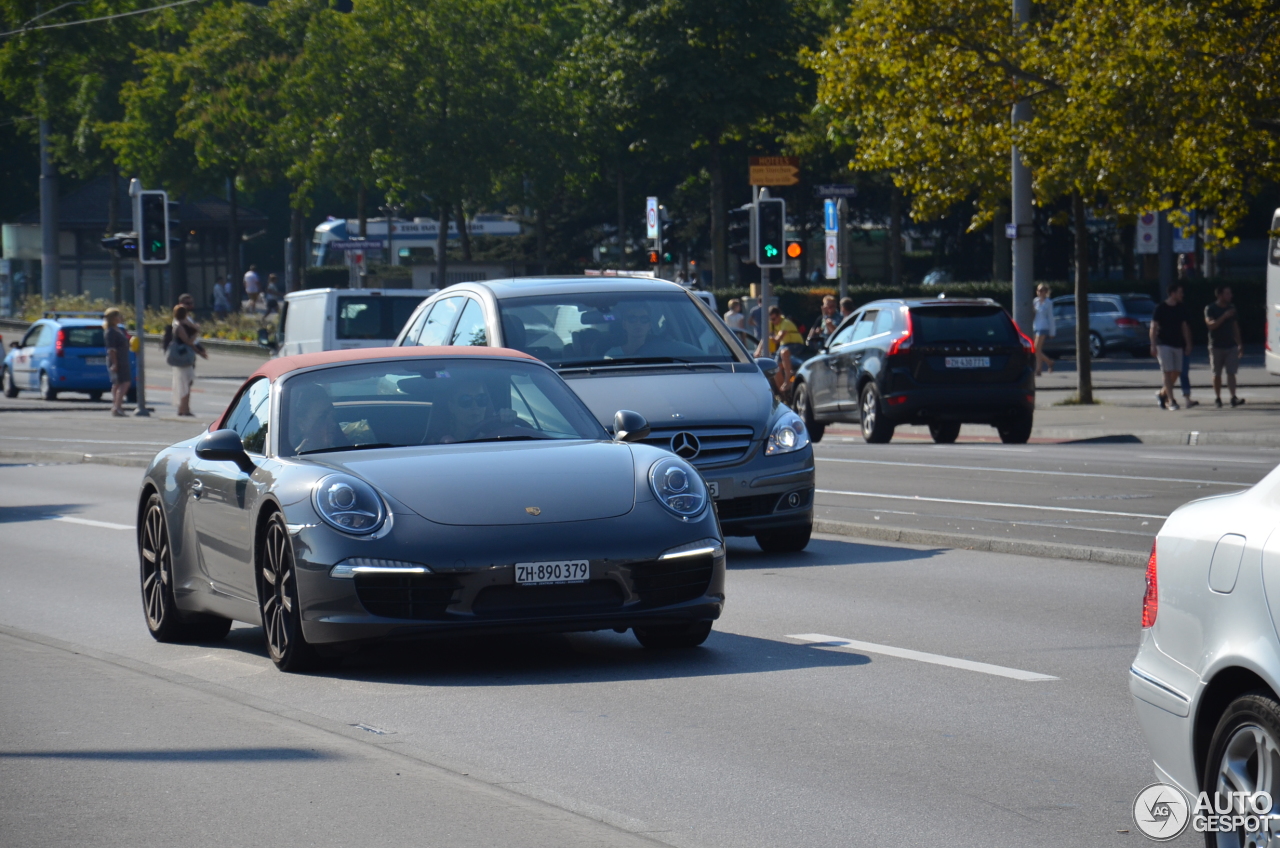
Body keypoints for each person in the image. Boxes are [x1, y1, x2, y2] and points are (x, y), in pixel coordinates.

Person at [1151, 282, 1193, 410]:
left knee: (1177, 371)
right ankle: (1171, 400)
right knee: (1167, 371)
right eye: (1180, 292)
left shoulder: (1181, 307)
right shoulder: (1160, 308)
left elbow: (1184, 326)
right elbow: (1153, 327)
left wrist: (1188, 343)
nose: (1182, 295)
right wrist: (1153, 344)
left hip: (1178, 344)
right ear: (1172, 293)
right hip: (1163, 344)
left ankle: (1162, 394)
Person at [1205, 284, 1246, 408]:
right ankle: (1218, 398)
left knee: (1231, 373)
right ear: (1220, 295)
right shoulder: (1210, 308)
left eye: (1230, 293)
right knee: (1216, 374)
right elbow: (1211, 325)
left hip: (1230, 346)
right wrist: (1224, 316)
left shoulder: (1232, 308)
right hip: (1216, 346)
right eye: (1228, 293)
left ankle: (1233, 397)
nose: (1230, 296)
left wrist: (1239, 344)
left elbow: (1235, 327)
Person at [169, 304, 208, 417]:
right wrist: (196, 333)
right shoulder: (179, 326)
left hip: (184, 357)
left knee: (184, 383)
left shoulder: (180, 324)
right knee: (184, 383)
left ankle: (183, 408)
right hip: (183, 358)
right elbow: (188, 341)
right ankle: (184, 409)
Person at [287, 382, 348, 454]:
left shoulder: (347, 453)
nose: (333, 424)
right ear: (301, 424)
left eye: (333, 417)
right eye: (322, 417)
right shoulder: (292, 461)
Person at [767, 305, 806, 393]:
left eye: (774, 319)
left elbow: (778, 339)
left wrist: (772, 337)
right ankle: (784, 393)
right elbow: (766, 337)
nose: (773, 322)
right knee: (775, 368)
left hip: (796, 344)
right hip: (783, 346)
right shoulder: (772, 324)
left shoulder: (786, 323)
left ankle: (787, 381)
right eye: (771, 319)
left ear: (779, 316)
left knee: (784, 352)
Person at [103, 308, 131, 417]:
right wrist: (115, 363)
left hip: (123, 359)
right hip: (118, 360)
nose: (120, 318)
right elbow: (111, 349)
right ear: (113, 318)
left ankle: (117, 406)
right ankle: (117, 406)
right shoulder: (110, 332)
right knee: (124, 383)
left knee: (118, 383)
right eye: (118, 316)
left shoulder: (118, 329)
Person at [1032, 284, 1055, 377]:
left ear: (1046, 292)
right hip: (1035, 326)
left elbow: (1051, 317)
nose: (1040, 292)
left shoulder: (1049, 303)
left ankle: (1038, 370)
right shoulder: (1035, 301)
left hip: (1044, 327)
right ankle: (1049, 362)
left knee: (1036, 348)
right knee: (1035, 350)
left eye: (1042, 290)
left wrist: (1052, 332)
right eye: (1038, 290)